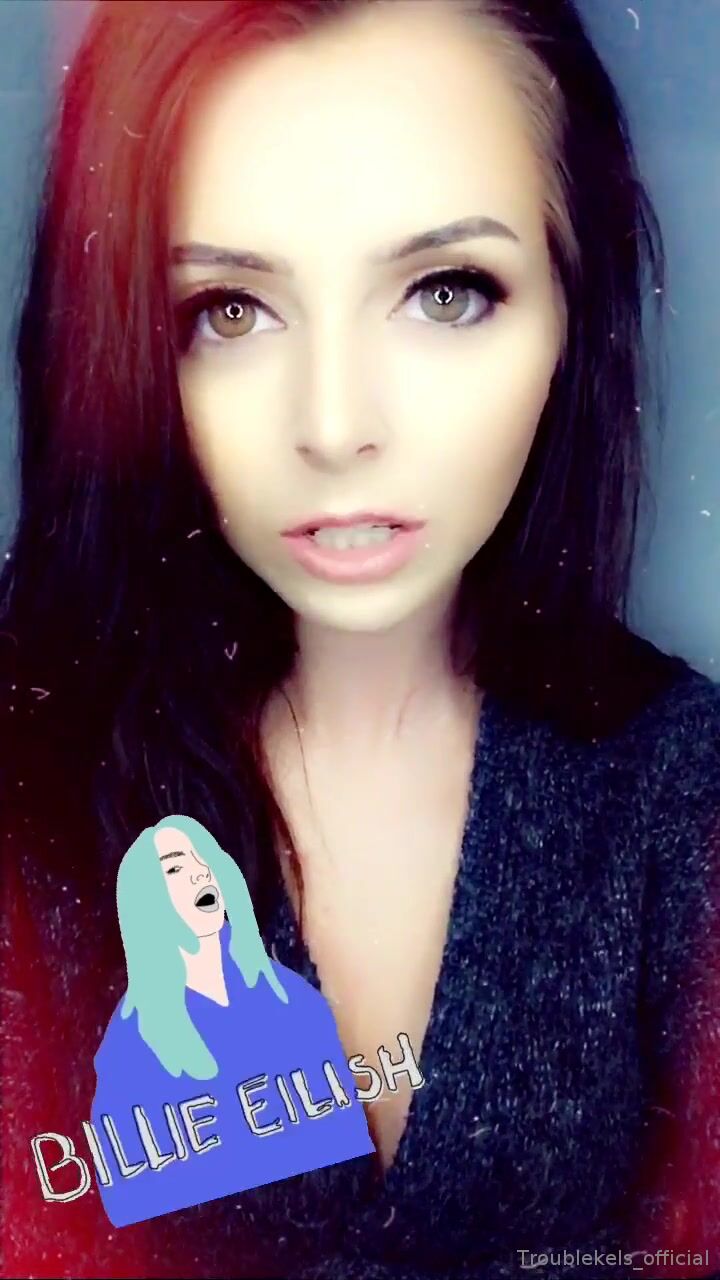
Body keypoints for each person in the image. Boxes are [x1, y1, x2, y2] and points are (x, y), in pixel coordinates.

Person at [1, 0, 719, 1276]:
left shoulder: (687, 793)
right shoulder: (29, 798)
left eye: (445, 291)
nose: (335, 425)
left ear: (575, 305)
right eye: (231, 310)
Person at [90, 815, 375, 1228]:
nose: (198, 872)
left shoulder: (289, 997)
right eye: (175, 868)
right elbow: (131, 1215)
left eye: (203, 858)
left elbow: (341, 1163)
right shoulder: (131, 1042)